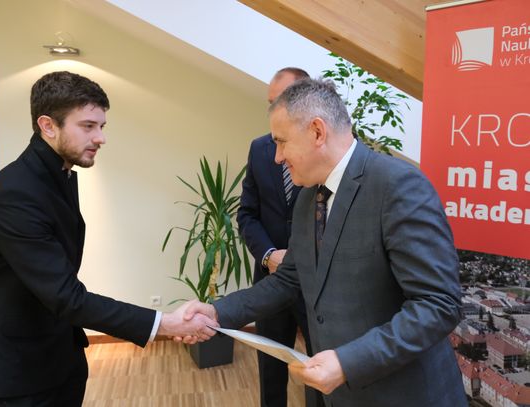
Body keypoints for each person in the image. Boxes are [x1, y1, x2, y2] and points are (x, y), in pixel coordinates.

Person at [183, 78, 466, 406]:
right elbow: (290, 279)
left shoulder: (397, 186)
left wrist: (348, 362)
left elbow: (438, 304)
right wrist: (217, 312)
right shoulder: (308, 198)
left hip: (405, 396)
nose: (277, 158)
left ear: (317, 132)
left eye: (281, 143)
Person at [0, 71, 216, 406]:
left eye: (101, 126)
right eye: (88, 126)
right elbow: (67, 297)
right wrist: (166, 324)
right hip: (22, 374)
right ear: (48, 126)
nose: (100, 138)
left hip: (61, 357)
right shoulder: (14, 193)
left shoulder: (61, 174)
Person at [238, 67, 322, 407]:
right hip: (271, 279)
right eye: (270, 103)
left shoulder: (325, 152)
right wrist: (268, 255)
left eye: (281, 101)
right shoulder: (261, 149)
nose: (274, 110)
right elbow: (247, 214)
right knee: (270, 369)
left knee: (320, 370)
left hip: (315, 285)